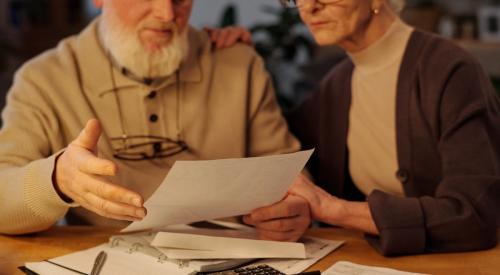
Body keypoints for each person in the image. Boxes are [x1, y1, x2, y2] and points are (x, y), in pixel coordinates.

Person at [0, 0, 311, 239]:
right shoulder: (43, 80)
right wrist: (57, 179)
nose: (166, 14)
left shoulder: (239, 64)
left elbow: (292, 179)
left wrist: (293, 211)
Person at [227, 0, 500, 255]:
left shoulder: (450, 70)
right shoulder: (334, 87)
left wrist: (335, 210)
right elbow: (269, 140)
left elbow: (474, 216)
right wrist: (229, 59)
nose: (309, 7)